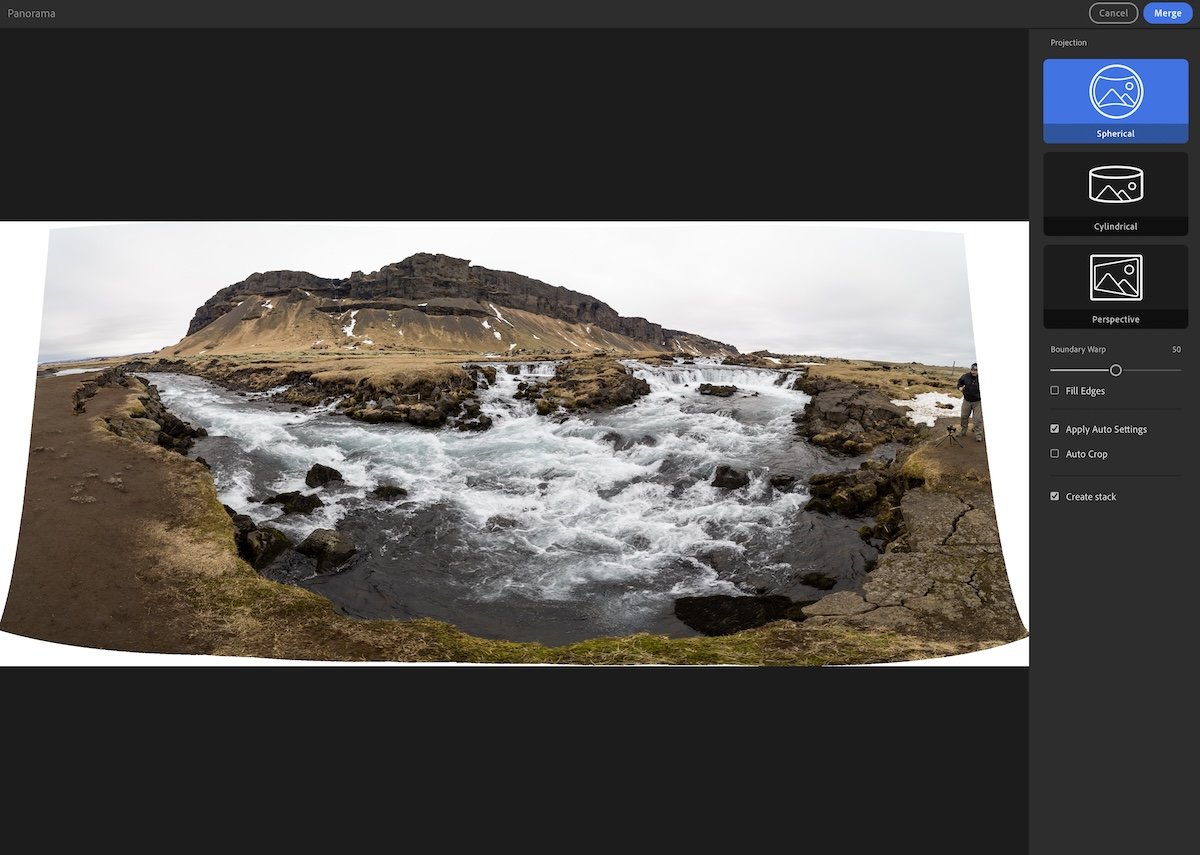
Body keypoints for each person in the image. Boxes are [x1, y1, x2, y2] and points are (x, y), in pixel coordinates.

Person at [956, 362, 982, 442]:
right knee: (964, 417)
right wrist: (960, 387)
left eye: (975, 370)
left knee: (977, 419)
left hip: (978, 402)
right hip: (967, 400)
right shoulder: (965, 376)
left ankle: (978, 435)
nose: (973, 371)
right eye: (972, 370)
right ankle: (963, 431)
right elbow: (959, 383)